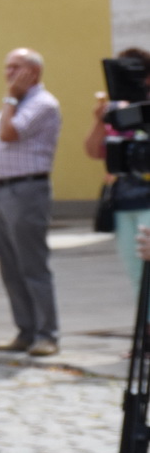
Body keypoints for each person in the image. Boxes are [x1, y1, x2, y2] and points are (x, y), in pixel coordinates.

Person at [0, 47, 62, 356]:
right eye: (7, 67)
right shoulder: (13, 104)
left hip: (27, 190)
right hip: (2, 190)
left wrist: (11, 98)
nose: (9, 73)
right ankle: (25, 330)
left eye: (17, 67)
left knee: (32, 265)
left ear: (34, 72)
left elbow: (8, 134)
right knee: (10, 267)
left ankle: (47, 334)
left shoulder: (42, 103)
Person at [84, 48, 150, 292]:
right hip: (123, 201)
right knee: (136, 274)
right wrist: (99, 120)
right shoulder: (115, 110)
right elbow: (93, 151)